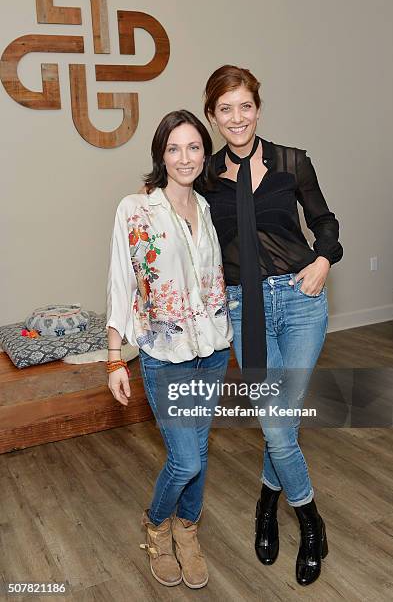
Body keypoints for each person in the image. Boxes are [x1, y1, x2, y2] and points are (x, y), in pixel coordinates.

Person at [198, 65, 343, 586]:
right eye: (225, 109)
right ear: (213, 115)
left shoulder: (292, 161)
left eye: (246, 106)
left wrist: (324, 261)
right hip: (244, 308)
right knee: (280, 423)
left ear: (257, 108)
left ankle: (265, 502)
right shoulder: (206, 175)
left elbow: (325, 222)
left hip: (301, 302)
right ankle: (309, 520)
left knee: (282, 422)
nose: (237, 118)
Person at [105, 109, 232, 589]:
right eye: (174, 148)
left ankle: (188, 531)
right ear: (161, 153)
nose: (185, 157)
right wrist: (115, 357)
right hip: (164, 354)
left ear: (205, 152)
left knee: (198, 450)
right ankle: (158, 525)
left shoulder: (206, 208)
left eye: (194, 147)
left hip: (213, 351)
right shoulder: (135, 210)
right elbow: (121, 283)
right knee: (187, 460)